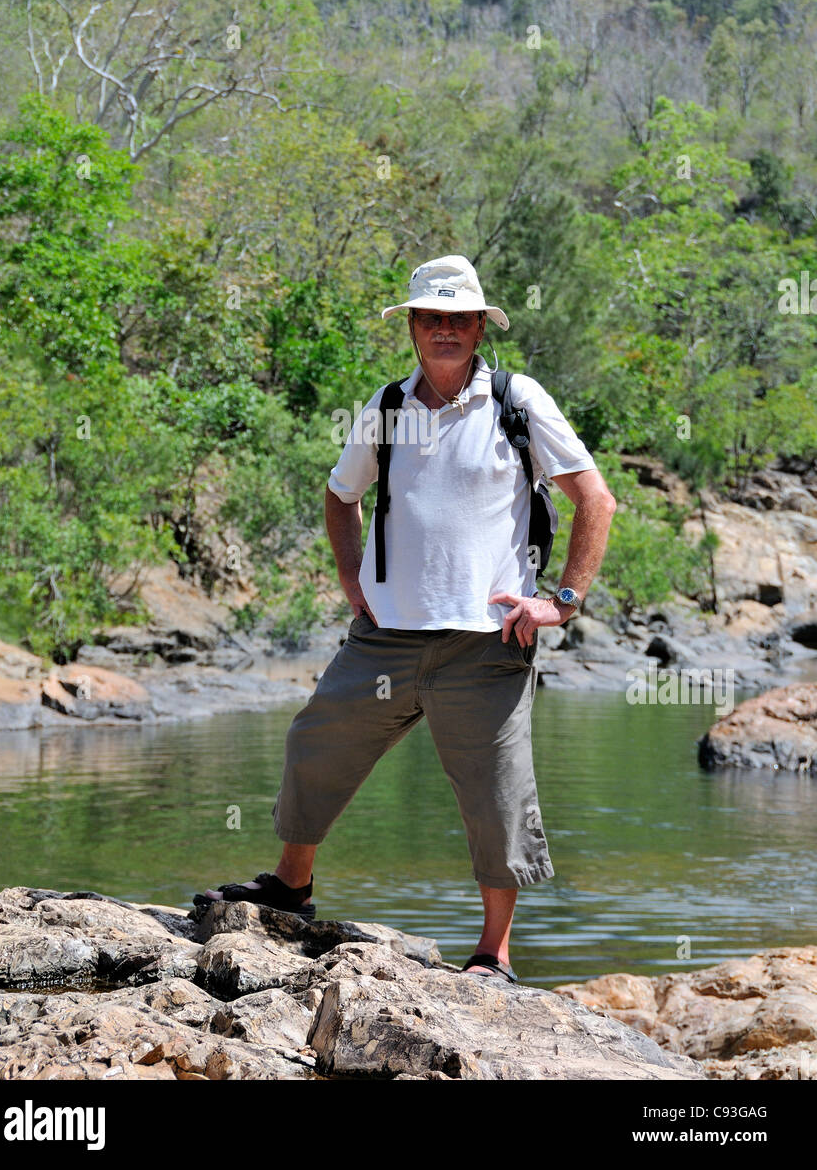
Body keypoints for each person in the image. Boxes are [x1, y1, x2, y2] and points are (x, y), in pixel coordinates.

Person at [195, 255, 616, 983]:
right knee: (314, 745)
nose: (445, 330)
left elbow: (596, 500)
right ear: (412, 327)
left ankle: (494, 953)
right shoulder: (386, 407)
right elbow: (340, 494)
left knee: (495, 794)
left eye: (459, 319)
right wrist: (350, 574)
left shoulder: (517, 401)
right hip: (384, 636)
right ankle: (291, 886)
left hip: (488, 641)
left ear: (480, 326)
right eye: (431, 318)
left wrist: (563, 603)